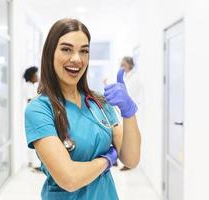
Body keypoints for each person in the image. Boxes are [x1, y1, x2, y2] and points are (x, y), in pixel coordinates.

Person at [24, 18, 141, 200]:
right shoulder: (40, 109)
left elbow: (131, 159)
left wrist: (129, 112)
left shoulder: (98, 102)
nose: (77, 59)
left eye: (84, 51)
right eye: (66, 49)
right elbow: (69, 178)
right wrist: (107, 159)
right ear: (50, 53)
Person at [118, 56, 144, 171]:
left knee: (130, 137)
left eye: (123, 64)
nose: (121, 67)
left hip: (133, 111)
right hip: (126, 111)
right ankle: (123, 161)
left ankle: (127, 163)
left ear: (129, 65)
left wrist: (126, 106)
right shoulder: (127, 77)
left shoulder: (135, 78)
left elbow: (130, 95)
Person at [23, 66, 42, 171]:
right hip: (33, 116)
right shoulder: (28, 86)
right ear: (31, 76)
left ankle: (36, 163)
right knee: (35, 140)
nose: (37, 76)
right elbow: (31, 101)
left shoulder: (33, 86)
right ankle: (35, 164)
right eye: (36, 74)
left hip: (35, 116)